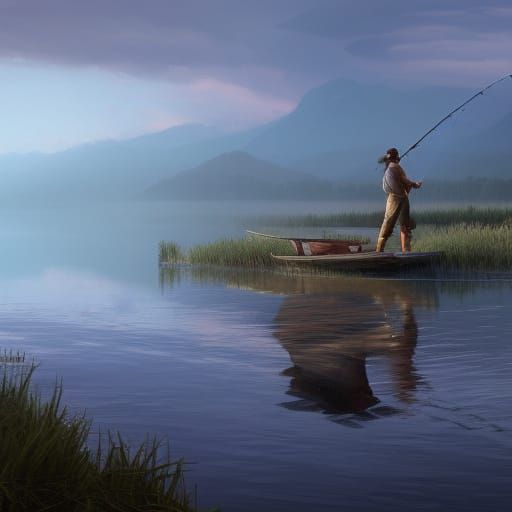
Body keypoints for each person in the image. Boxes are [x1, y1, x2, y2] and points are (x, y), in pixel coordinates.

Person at [376, 148, 422, 253]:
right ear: (396, 157)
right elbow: (405, 180)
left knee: (390, 225)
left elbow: (401, 180)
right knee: (400, 226)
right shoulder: (395, 167)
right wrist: (415, 184)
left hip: (396, 198)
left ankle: (379, 251)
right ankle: (405, 251)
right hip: (397, 199)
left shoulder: (390, 167)